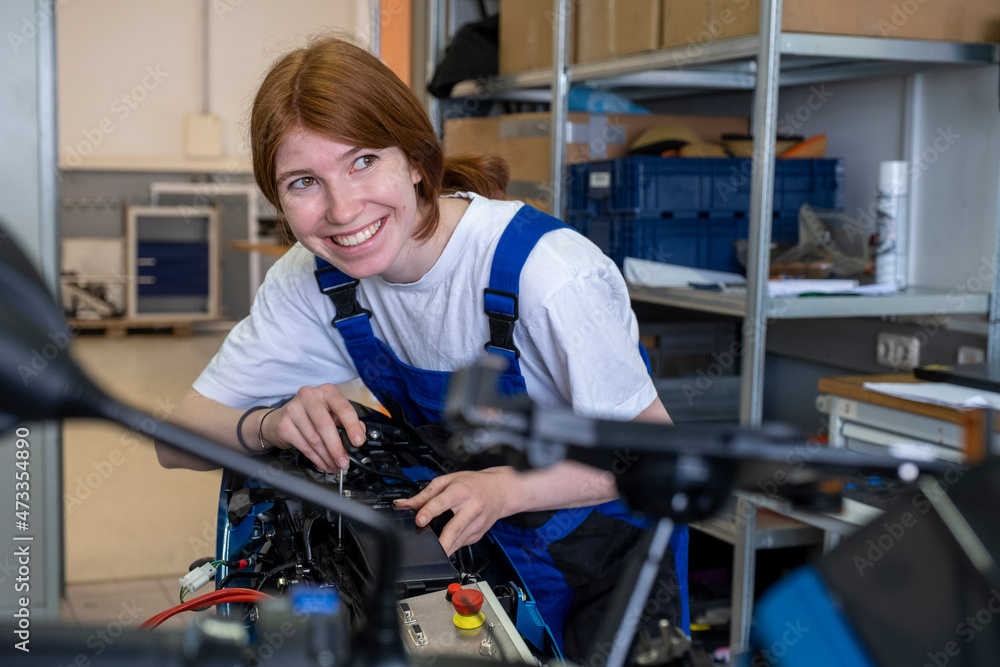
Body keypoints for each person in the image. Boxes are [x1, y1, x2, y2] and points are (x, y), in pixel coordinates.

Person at [155, 34, 686, 660]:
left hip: (604, 564)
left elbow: (659, 462)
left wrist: (505, 490)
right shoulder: (317, 279)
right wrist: (271, 423)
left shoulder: (545, 273)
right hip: (467, 554)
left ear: (413, 157)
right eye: (303, 181)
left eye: (362, 161)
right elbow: (176, 440)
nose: (342, 209)